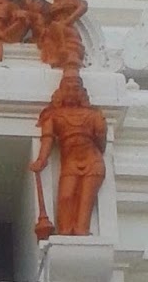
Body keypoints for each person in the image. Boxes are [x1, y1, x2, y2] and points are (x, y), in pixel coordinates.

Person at [30, 73, 106, 236]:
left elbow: (101, 142)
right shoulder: (54, 115)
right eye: (67, 89)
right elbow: (47, 139)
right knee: (66, 197)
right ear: (61, 92)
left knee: (86, 200)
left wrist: (100, 127)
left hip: (93, 161)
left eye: (75, 89)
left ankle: (81, 231)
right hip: (70, 161)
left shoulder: (93, 115)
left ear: (81, 93)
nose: (71, 92)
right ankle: (65, 231)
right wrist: (41, 160)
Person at [26, 0, 87, 69]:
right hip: (55, 29)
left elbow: (83, 7)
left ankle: (62, 48)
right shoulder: (54, 4)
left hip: (68, 28)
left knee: (55, 26)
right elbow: (42, 16)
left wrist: (68, 21)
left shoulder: (73, 1)